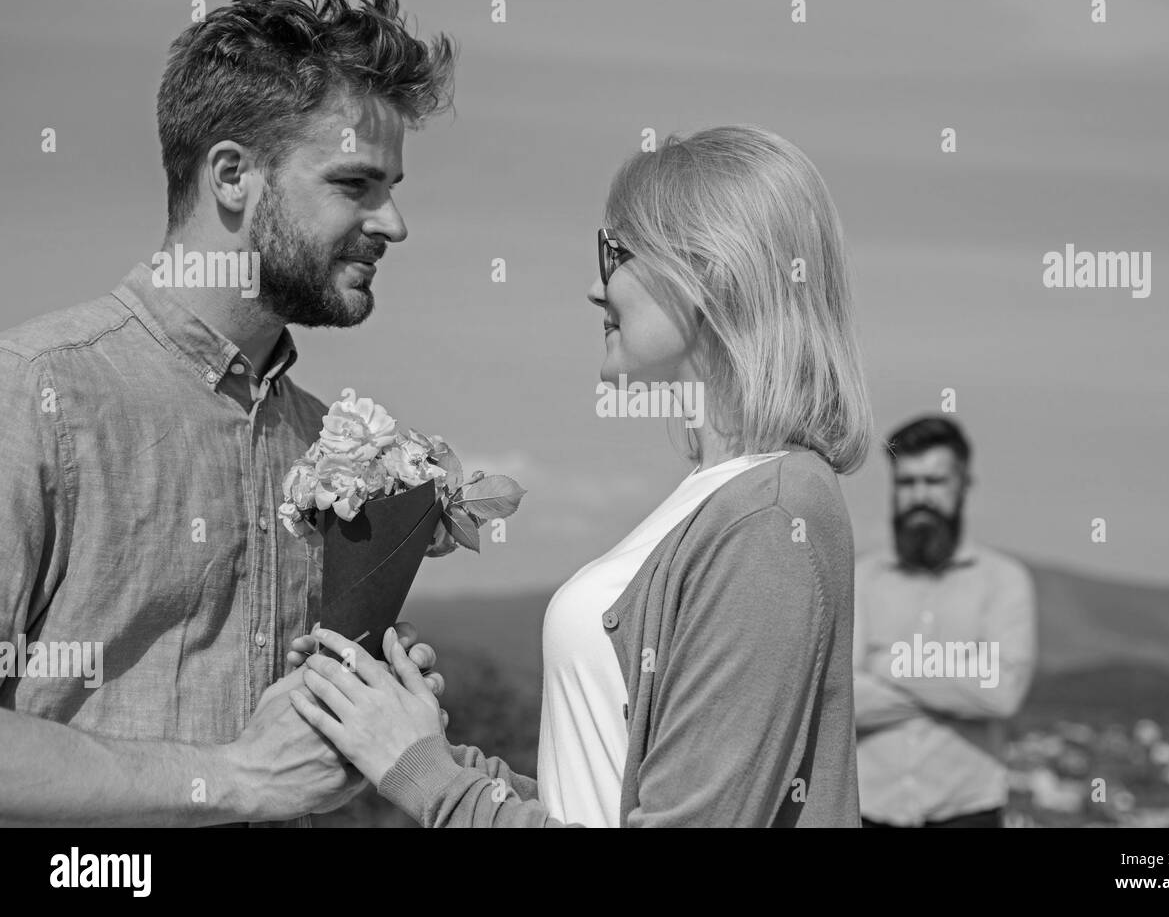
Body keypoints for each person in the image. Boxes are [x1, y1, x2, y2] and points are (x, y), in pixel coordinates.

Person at [286, 125, 874, 827]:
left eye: (616, 252)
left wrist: (426, 777)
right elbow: (598, 799)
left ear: (711, 272)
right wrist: (415, 742)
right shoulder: (721, 496)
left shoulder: (771, 516)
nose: (594, 286)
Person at [0, 0, 455, 827]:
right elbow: (252, 774)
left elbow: (285, 763)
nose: (393, 222)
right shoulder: (33, 391)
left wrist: (365, 718)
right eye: (355, 182)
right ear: (233, 175)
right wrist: (235, 776)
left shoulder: (323, 440)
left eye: (390, 186)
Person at [853, 416, 1036, 827]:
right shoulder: (859, 579)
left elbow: (1002, 693)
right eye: (907, 483)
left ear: (964, 485)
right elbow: (842, 699)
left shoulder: (1005, 580)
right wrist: (956, 691)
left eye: (935, 482)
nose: (920, 496)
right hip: (868, 815)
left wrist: (884, 664)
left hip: (967, 815)